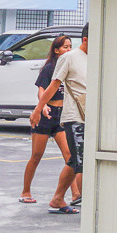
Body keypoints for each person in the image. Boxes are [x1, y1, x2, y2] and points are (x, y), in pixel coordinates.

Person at [37, 22, 87, 214]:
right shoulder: (69, 58)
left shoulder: (96, 56)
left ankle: (58, 198)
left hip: (90, 115)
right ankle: (88, 205)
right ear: (85, 39)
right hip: (74, 117)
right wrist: (39, 109)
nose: (67, 48)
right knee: (81, 163)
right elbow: (51, 86)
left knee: (73, 160)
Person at [19, 35, 72, 203]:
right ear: (56, 50)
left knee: (70, 156)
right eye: (65, 47)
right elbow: (42, 89)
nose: (68, 50)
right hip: (46, 115)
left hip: (62, 116)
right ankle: (25, 192)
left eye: (70, 47)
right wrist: (42, 106)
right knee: (36, 156)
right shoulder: (50, 67)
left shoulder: (70, 65)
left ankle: (76, 194)